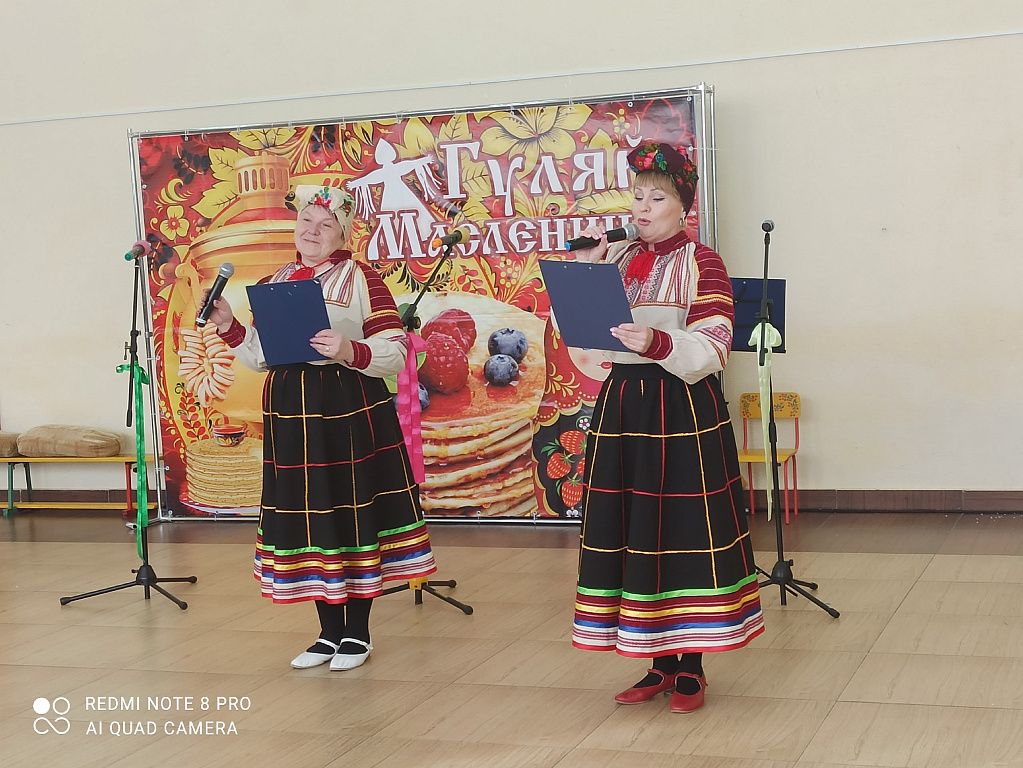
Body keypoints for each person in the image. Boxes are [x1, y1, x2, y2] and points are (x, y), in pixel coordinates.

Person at [203, 184, 436, 671]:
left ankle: (358, 634)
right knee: (309, 516)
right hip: (292, 411)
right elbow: (261, 357)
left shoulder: (363, 278)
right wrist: (229, 325)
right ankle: (328, 634)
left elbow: (395, 352)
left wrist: (350, 349)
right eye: (306, 222)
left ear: (342, 234)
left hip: (347, 407)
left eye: (325, 224)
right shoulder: (275, 281)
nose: (312, 231)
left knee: (350, 511)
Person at [570, 143, 764, 713]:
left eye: (657, 198)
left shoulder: (704, 262)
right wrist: (588, 274)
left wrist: (657, 343)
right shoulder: (617, 256)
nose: (642, 208)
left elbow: (714, 346)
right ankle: (657, 662)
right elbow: (584, 334)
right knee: (635, 528)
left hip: (680, 406)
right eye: (638, 197)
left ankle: (691, 667)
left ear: (684, 207)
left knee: (682, 529)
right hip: (624, 405)